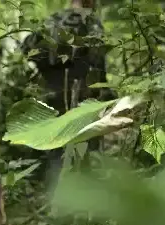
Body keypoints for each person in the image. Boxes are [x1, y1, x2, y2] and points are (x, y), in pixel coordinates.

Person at [22, 0, 111, 192]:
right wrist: (106, 95)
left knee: (55, 148)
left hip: (51, 94)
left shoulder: (51, 20)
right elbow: (98, 60)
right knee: (85, 148)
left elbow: (27, 48)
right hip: (81, 95)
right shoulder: (91, 22)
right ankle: (79, 201)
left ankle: (54, 199)